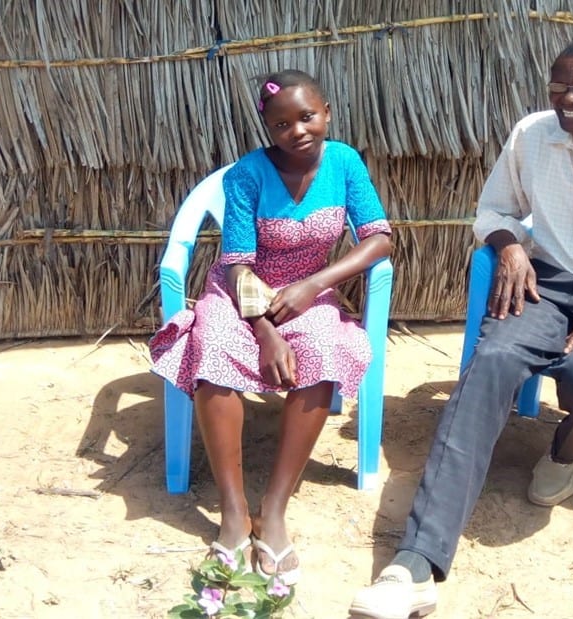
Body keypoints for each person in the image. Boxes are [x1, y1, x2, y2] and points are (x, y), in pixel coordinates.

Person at [350, 36, 573, 619]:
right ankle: (415, 563)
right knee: (490, 364)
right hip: (547, 281)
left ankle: (571, 446)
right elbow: (493, 210)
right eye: (559, 86)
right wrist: (509, 247)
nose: (569, 99)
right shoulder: (533, 134)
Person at [149, 69, 392, 585]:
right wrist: (264, 330)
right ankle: (233, 512)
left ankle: (275, 509)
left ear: (326, 112)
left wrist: (313, 285)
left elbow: (379, 238)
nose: (297, 131)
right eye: (282, 124)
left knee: (326, 350)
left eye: (307, 117)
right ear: (268, 129)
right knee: (212, 347)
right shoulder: (246, 175)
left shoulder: (345, 163)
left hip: (308, 291)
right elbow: (237, 263)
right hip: (242, 296)